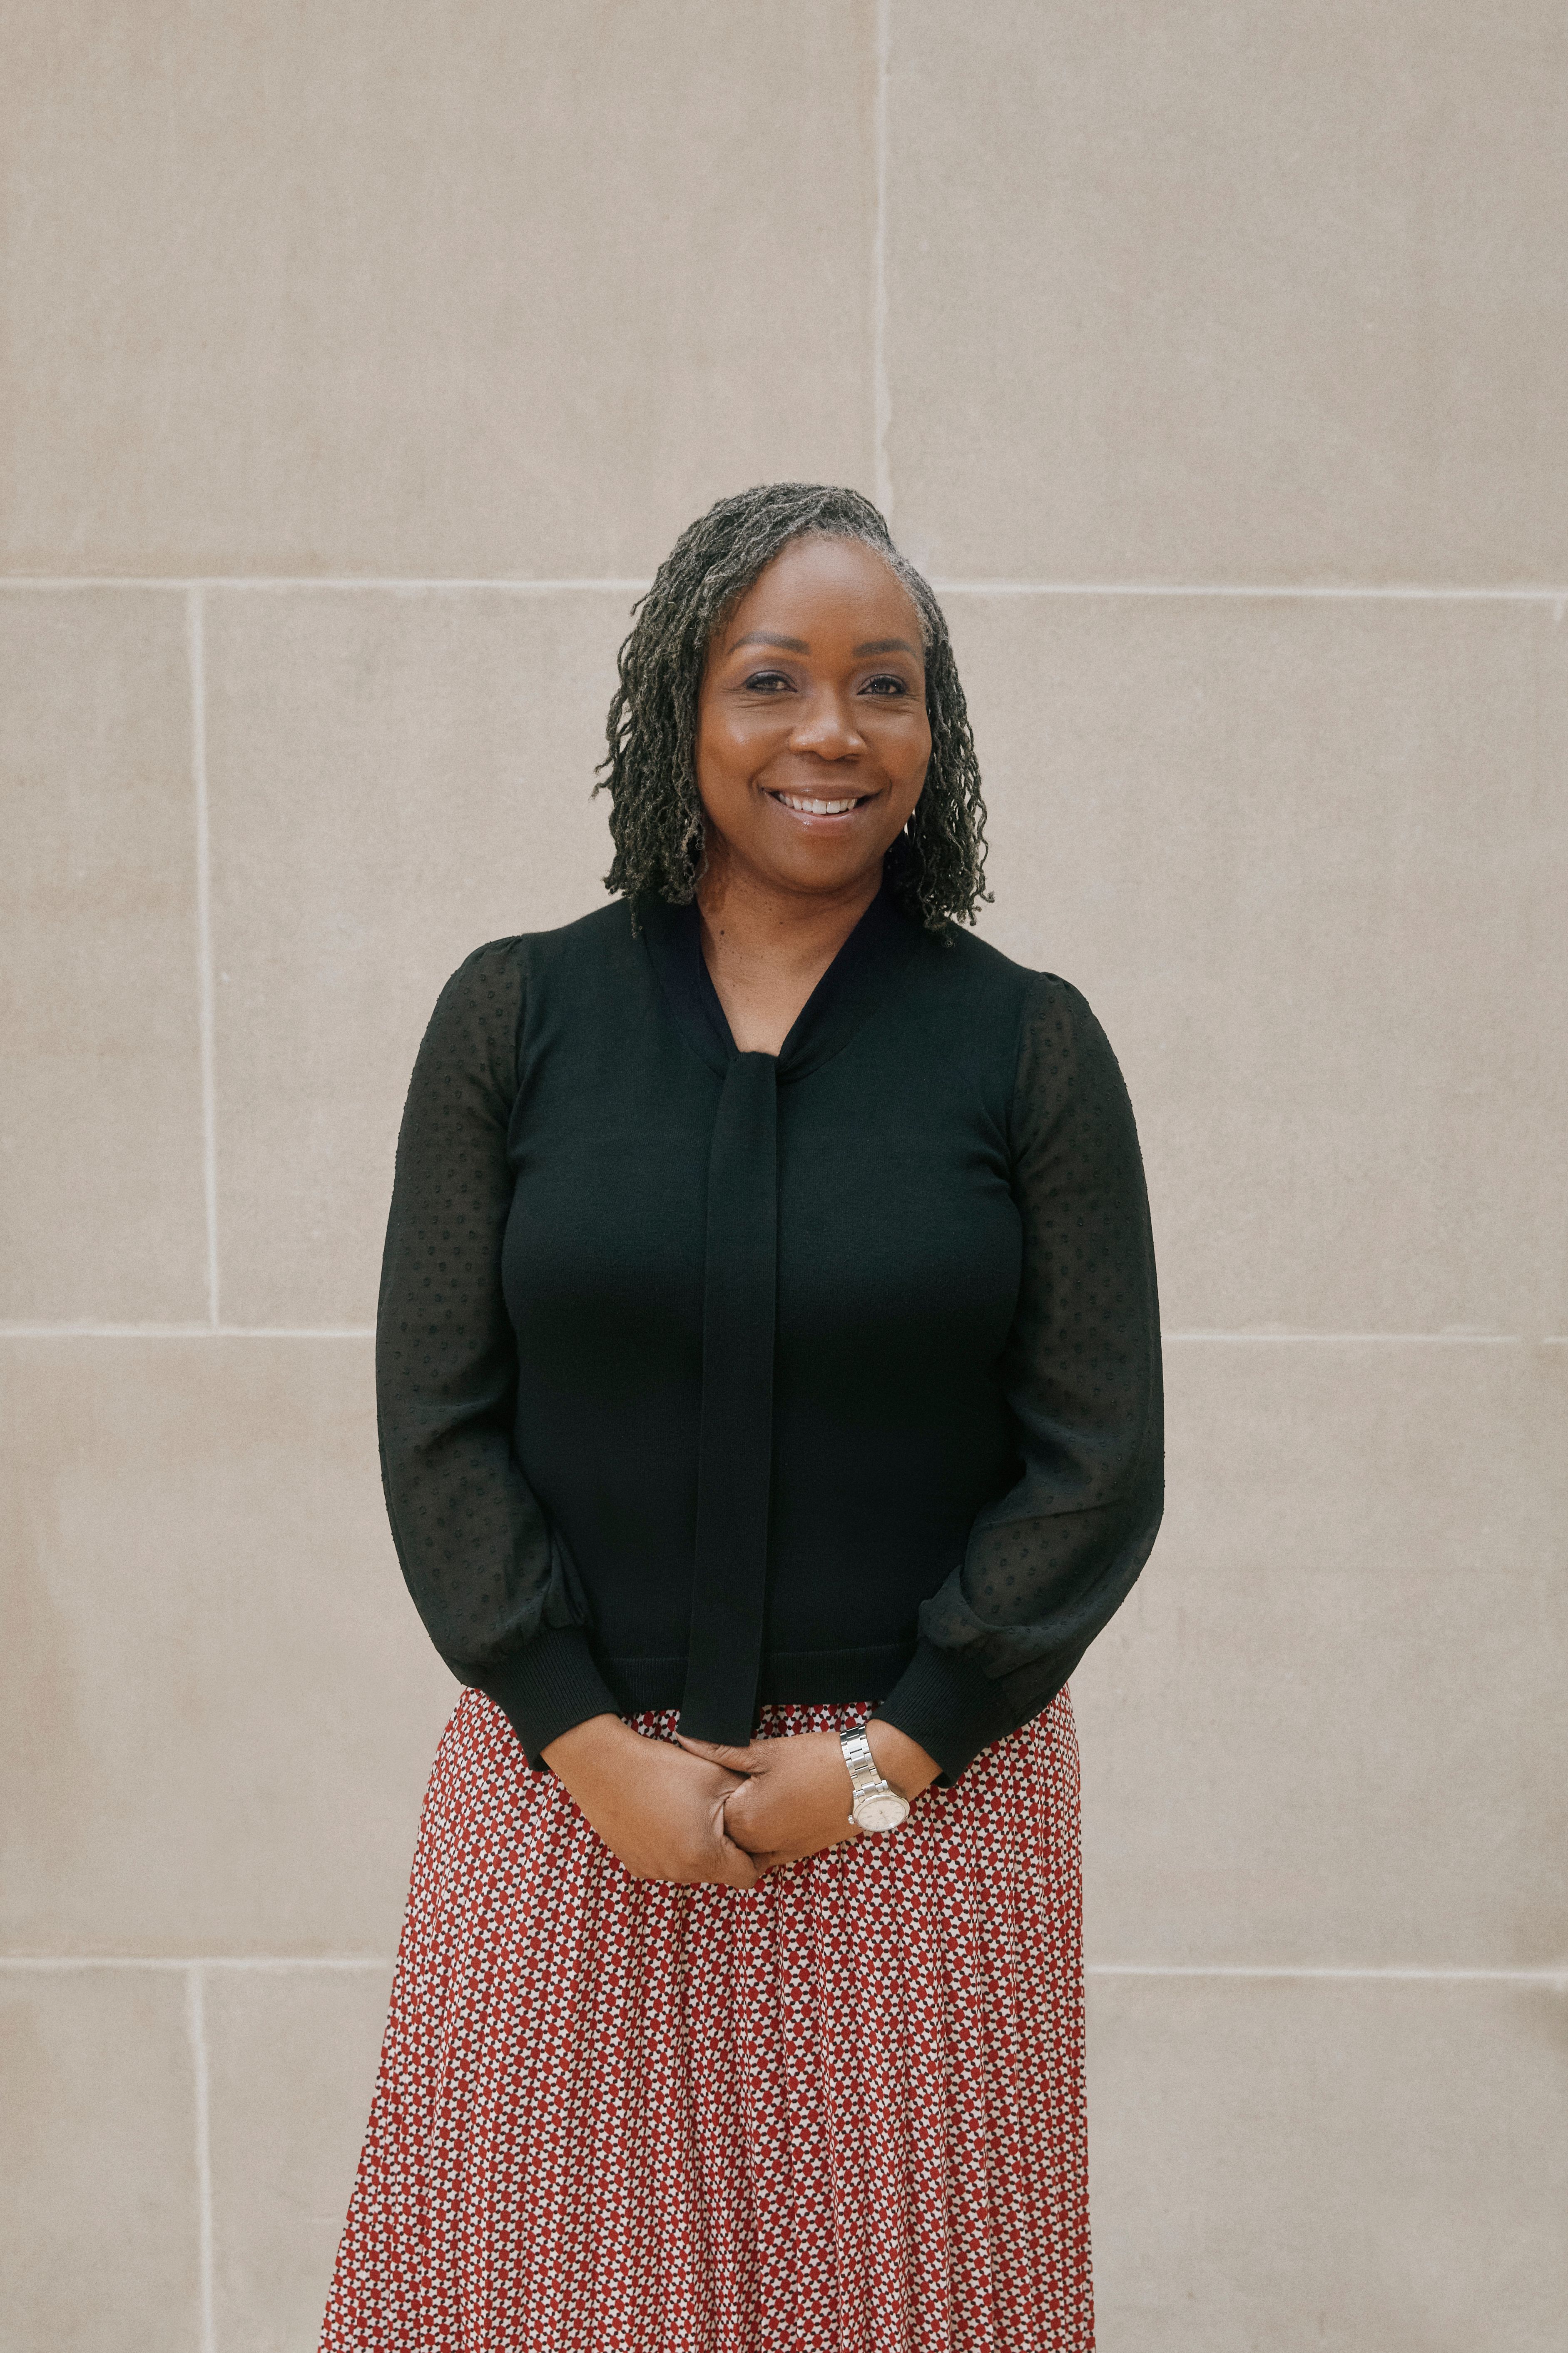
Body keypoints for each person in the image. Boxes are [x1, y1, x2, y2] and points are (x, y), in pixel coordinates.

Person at [320, 481, 1163, 2353]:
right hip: (566, 1800)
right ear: (679, 707)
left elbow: (1098, 1464)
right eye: (770, 679)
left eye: (888, 687)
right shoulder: (515, 1020)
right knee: (547, 2300)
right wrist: (586, 1742)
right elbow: (437, 1421)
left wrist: (887, 1760)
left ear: (937, 738)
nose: (830, 734)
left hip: (926, 1817)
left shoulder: (1027, 1049)